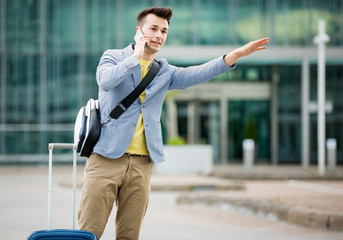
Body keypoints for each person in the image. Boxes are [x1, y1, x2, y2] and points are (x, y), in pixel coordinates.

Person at [78, 6, 268, 240]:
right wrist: (135, 58)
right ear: (139, 31)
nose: (159, 35)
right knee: (89, 231)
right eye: (154, 29)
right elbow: (105, 81)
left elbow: (197, 74)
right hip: (106, 158)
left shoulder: (164, 71)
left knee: (129, 235)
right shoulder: (114, 57)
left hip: (141, 165)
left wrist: (234, 56)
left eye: (164, 31)